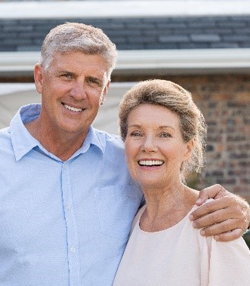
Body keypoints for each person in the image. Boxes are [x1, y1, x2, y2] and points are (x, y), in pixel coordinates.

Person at [0, 22, 249, 286]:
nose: (78, 93)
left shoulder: (126, 161)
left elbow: (174, 202)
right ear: (40, 78)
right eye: (67, 76)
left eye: (93, 81)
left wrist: (242, 210)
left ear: (105, 91)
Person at [113, 79, 250, 286]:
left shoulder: (213, 222)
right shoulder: (132, 221)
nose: (148, 146)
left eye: (164, 134)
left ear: (187, 148)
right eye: (137, 133)